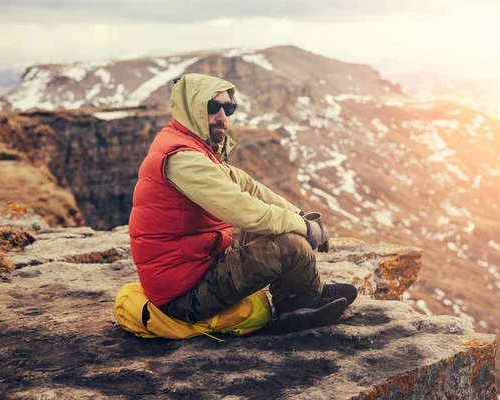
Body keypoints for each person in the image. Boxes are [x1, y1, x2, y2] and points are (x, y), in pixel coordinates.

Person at [129, 73, 357, 332]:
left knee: (283, 227)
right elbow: (246, 212)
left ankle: (302, 297)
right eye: (212, 107)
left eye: (229, 108)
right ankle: (299, 301)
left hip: (198, 264)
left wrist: (299, 215)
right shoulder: (182, 159)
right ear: (190, 108)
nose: (222, 116)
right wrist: (304, 228)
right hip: (183, 296)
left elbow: (250, 187)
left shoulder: (193, 147)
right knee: (287, 242)